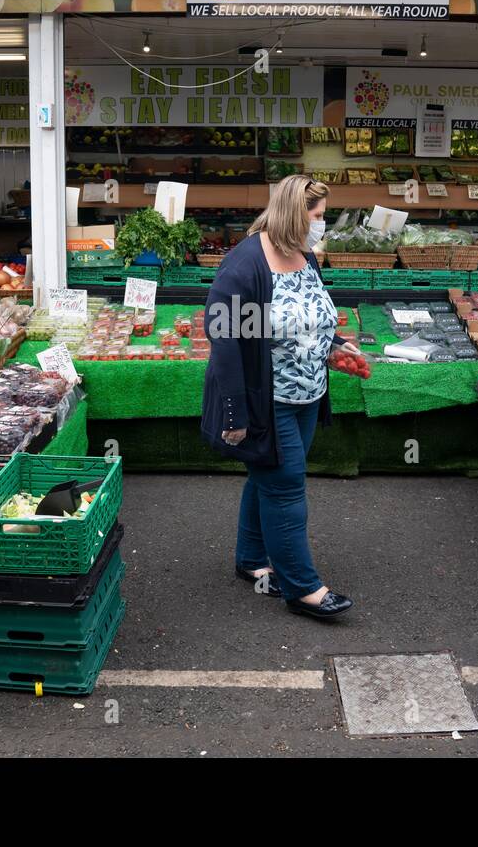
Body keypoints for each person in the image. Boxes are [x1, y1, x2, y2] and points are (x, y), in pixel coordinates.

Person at [201, 175, 358, 621]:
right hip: (267, 402)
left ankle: (251, 560)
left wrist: (334, 343)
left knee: (268, 477)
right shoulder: (245, 265)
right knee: (287, 487)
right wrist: (235, 412)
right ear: (294, 213)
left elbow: (309, 314)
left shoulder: (303, 256)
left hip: (307, 395)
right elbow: (226, 341)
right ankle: (302, 587)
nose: (322, 225)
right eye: (319, 216)